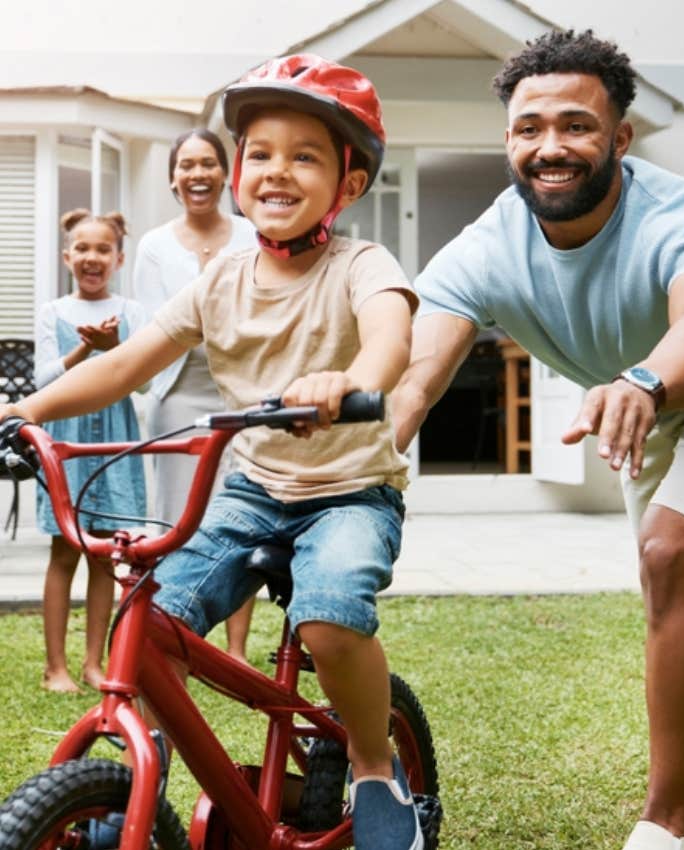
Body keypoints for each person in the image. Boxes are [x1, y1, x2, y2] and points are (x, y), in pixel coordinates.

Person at [392, 29, 684, 850]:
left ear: (620, 136)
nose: (550, 148)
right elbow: (419, 373)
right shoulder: (484, 248)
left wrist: (643, 383)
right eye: (528, 128)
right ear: (508, 139)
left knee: (669, 557)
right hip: (641, 400)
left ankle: (669, 822)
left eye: (577, 127)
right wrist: (378, 445)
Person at [2, 54, 423, 850]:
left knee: (330, 620)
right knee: (154, 622)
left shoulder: (361, 264)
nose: (277, 170)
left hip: (350, 491)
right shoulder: (220, 277)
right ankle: (140, 775)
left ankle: (373, 767)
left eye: (306, 155)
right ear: (236, 173)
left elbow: (391, 337)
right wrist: (27, 407)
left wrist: (351, 379)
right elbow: (127, 362)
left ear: (350, 185)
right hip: (254, 486)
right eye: (260, 152)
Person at [132, 128, 257, 664]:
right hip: (178, 395)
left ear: (225, 174)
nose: (197, 174)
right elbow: (152, 325)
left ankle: (235, 648)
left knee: (242, 512)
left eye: (207, 163)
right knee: (176, 520)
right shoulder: (154, 245)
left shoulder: (253, 235)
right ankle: (175, 634)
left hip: (243, 395)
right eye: (187, 165)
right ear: (173, 178)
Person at [35, 209, 147, 693]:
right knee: (65, 552)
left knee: (107, 556)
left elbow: (143, 380)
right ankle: (54, 666)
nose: (91, 257)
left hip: (114, 443)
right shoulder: (53, 312)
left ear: (118, 258)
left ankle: (93, 663)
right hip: (69, 443)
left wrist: (116, 345)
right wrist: (86, 350)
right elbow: (41, 381)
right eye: (82, 248)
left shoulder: (132, 311)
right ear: (67, 257)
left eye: (103, 249)